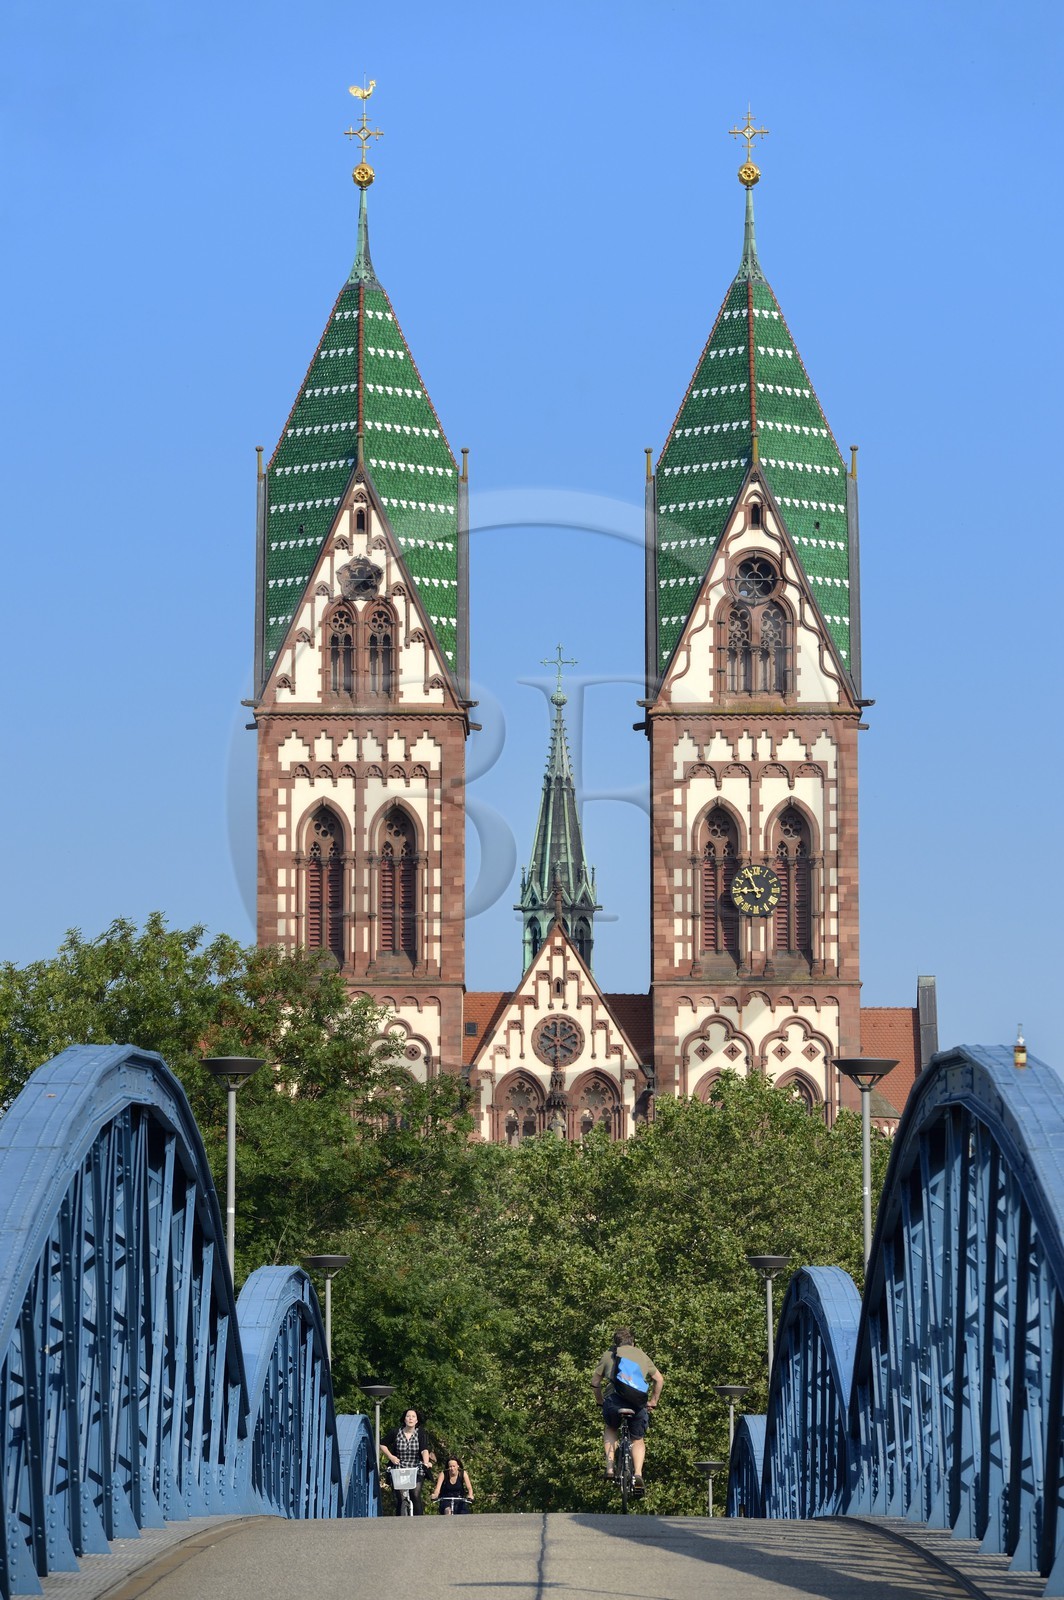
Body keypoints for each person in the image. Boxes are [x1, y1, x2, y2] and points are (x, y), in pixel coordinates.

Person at [590, 1326, 663, 1499]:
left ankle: (609, 1467)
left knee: (611, 1428)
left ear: (615, 1343)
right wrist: (653, 1401)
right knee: (637, 1438)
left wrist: (599, 1400)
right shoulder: (642, 1355)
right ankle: (638, 1474)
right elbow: (659, 1379)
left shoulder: (609, 1355)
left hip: (614, 1402)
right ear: (633, 1342)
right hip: (637, 1403)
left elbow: (595, 1382)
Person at [381, 1407, 434, 1515]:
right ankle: (399, 1522)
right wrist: (391, 1457)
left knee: (415, 1494)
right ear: (404, 1419)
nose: (410, 1418)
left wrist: (426, 1462)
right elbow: (382, 1444)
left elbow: (424, 1449)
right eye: (408, 1416)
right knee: (400, 1498)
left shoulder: (421, 1433)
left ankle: (419, 1521)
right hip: (399, 1467)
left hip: (416, 1467)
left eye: (413, 1417)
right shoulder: (396, 1432)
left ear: (416, 1420)